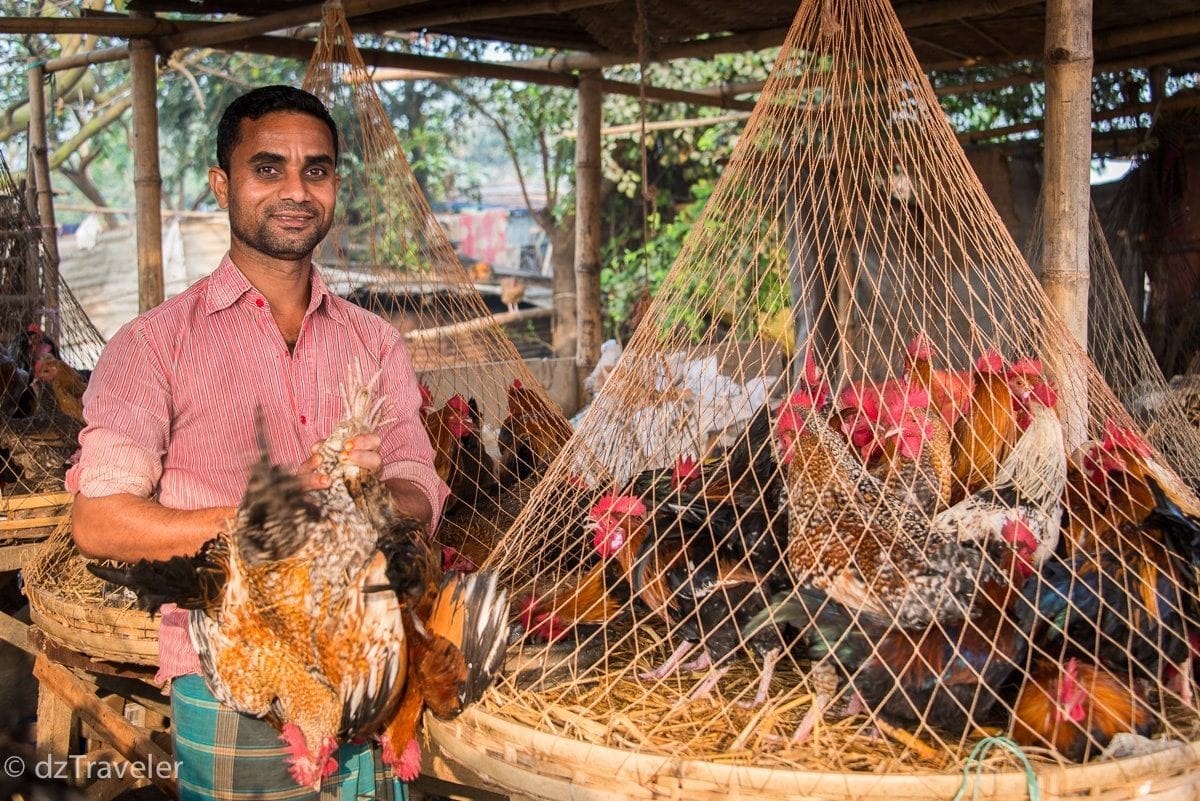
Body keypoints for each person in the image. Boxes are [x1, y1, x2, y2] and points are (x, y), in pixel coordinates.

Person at [68, 85, 447, 801]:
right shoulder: (155, 345)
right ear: (223, 183)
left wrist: (364, 505)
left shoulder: (376, 342)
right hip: (236, 678)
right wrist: (270, 518)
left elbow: (417, 484)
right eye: (267, 168)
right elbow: (98, 520)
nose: (296, 191)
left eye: (318, 170)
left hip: (368, 662)